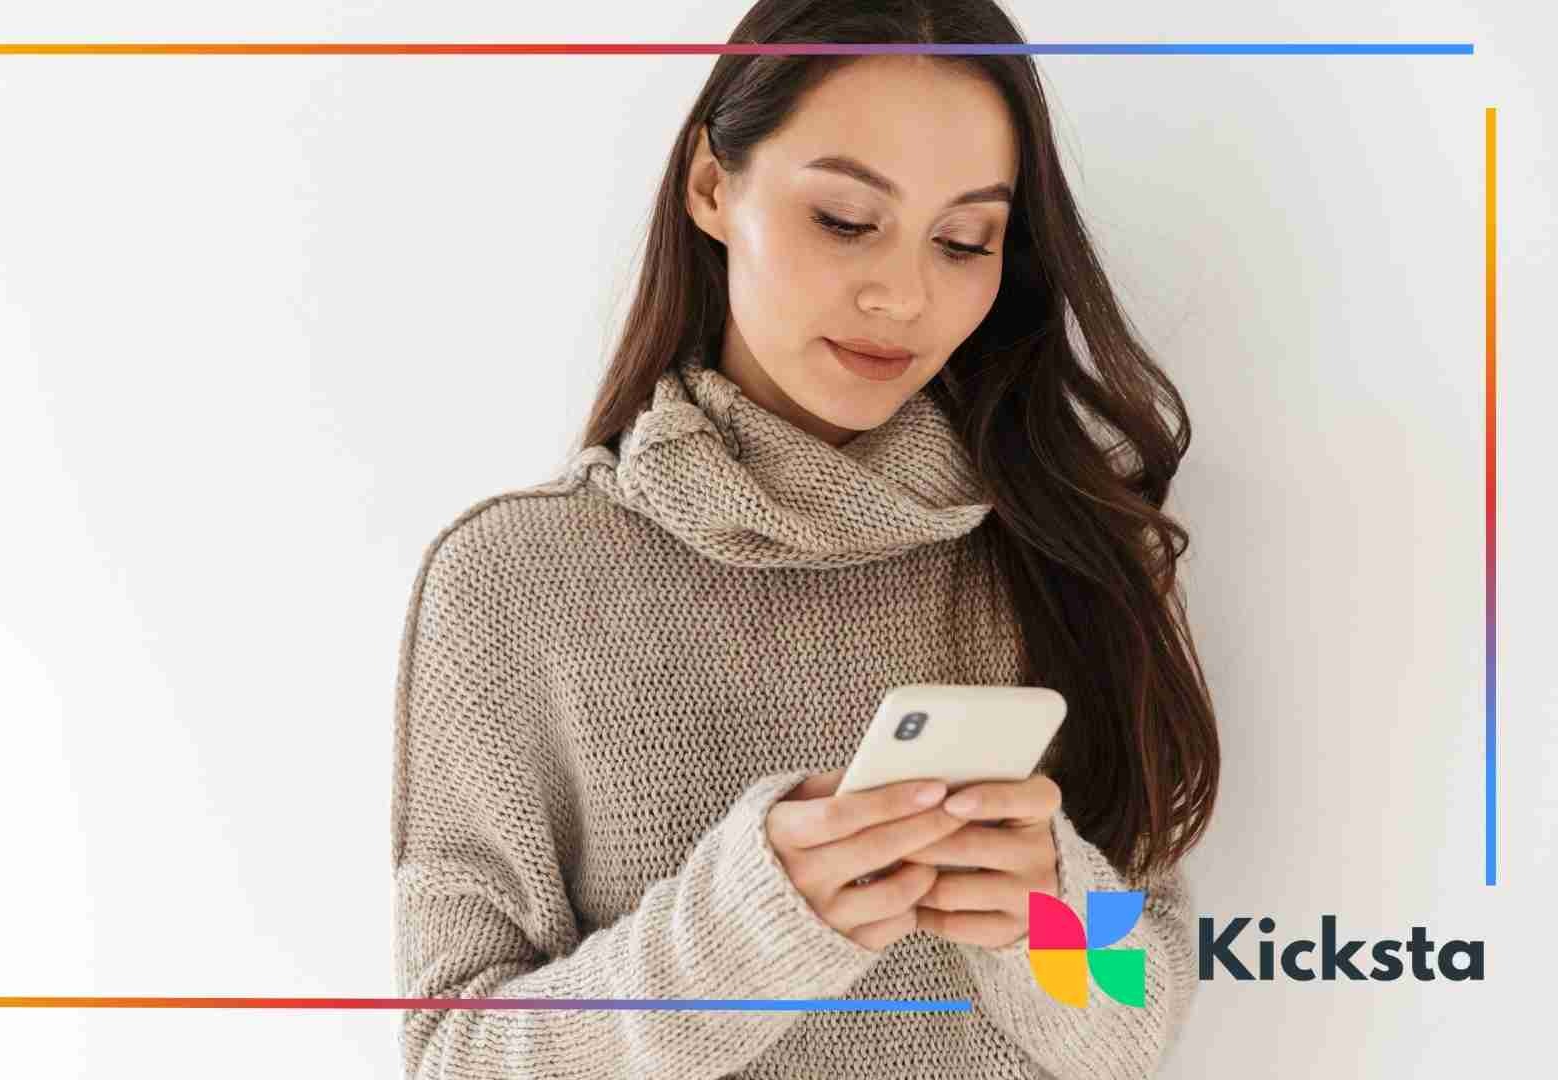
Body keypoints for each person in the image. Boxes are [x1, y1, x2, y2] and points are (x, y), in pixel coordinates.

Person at [388, 1, 1221, 1076]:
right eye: (843, 218)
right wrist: (738, 933)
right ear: (711, 187)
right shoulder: (514, 578)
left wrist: (1048, 918)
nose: (902, 295)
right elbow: (454, 1053)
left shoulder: (1067, 551)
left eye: (965, 241)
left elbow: (1133, 1026)